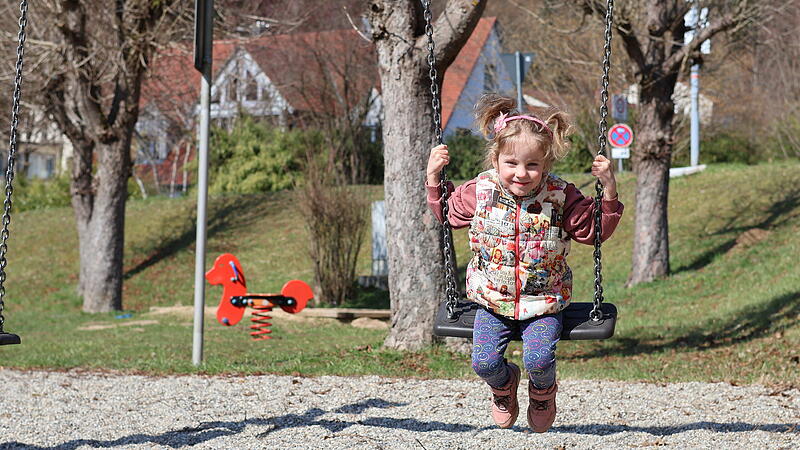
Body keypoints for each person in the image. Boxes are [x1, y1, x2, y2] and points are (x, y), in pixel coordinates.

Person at [425, 94, 624, 432]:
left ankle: (543, 392)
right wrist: (433, 177)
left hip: (544, 303)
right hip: (491, 300)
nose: (521, 173)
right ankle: (504, 388)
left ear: (545, 165)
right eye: (511, 163)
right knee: (484, 363)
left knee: (539, 359)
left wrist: (608, 188)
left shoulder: (561, 196)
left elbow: (593, 231)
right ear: (496, 158)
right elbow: (448, 213)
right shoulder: (481, 189)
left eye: (532, 165)